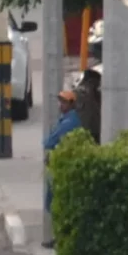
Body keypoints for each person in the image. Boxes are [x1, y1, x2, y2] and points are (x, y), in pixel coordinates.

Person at [42, 86, 87, 245]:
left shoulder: (69, 123)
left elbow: (49, 141)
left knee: (54, 202)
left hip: (62, 167)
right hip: (59, 165)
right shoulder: (68, 120)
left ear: (72, 104)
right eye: (60, 101)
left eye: (64, 102)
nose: (61, 105)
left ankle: (60, 238)